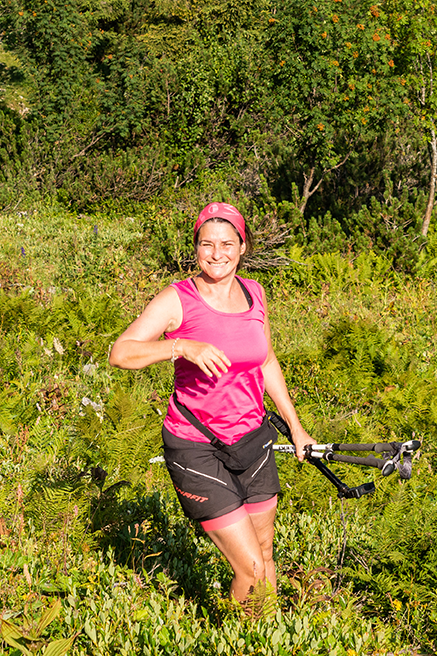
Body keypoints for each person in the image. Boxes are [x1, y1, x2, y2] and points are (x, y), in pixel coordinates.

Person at [109, 202, 314, 605]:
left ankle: (261, 638)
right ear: (196, 248)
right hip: (196, 447)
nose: (216, 254)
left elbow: (267, 360)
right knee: (251, 569)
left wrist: (295, 425)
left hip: (253, 440)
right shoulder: (177, 299)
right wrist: (180, 346)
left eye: (226, 244)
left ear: (242, 246)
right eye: (206, 244)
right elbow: (120, 352)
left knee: (266, 556)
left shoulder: (255, 293)